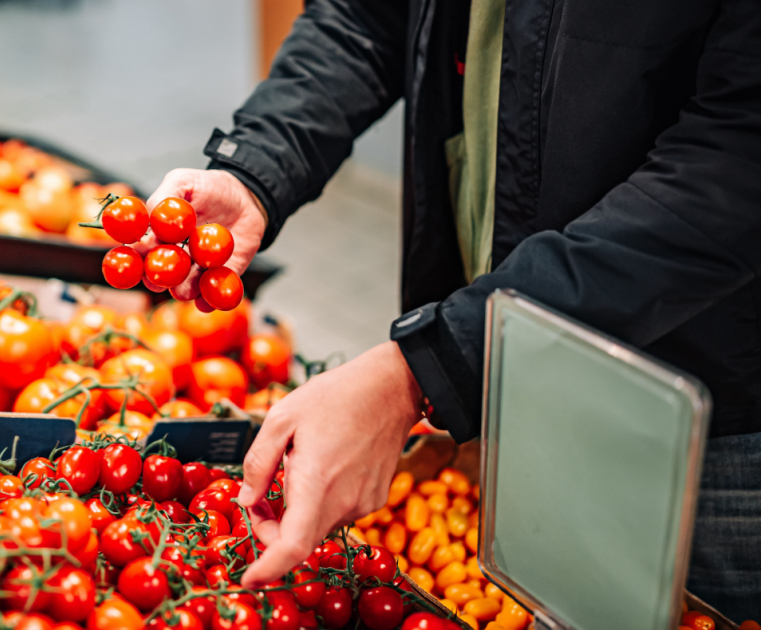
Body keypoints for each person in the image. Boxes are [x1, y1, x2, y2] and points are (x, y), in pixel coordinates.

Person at [142, 0, 761, 619]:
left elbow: (732, 170)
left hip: (706, 416)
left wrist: (428, 367)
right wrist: (258, 165)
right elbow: (365, 18)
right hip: (510, 366)